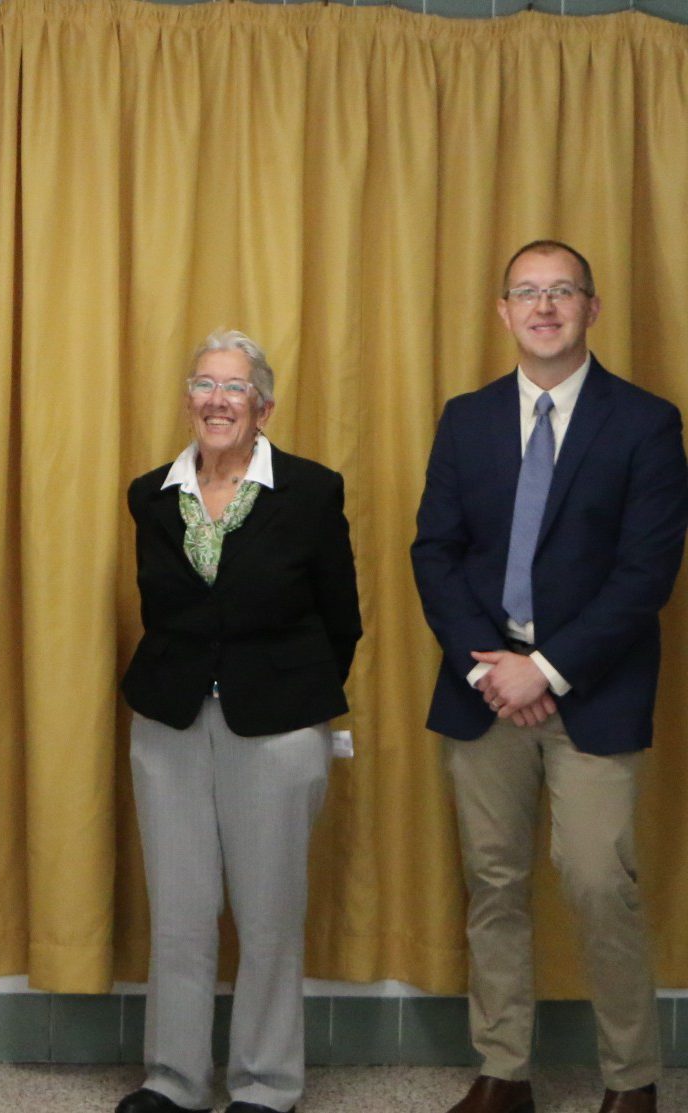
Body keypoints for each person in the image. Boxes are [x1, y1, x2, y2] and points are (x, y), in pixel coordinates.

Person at [411, 241, 686, 1113]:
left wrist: (549, 669)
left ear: (591, 309)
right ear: (503, 312)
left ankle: (631, 1081)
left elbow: (647, 573)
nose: (544, 306)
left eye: (562, 291)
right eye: (527, 293)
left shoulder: (646, 422)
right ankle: (503, 1072)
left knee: (600, 881)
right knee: (492, 883)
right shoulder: (466, 417)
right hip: (483, 687)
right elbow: (435, 551)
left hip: (592, 689)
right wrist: (488, 668)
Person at [114, 331, 361, 1113]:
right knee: (181, 915)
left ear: (264, 406)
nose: (218, 401)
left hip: (278, 726)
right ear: (188, 399)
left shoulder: (313, 490)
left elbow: (342, 620)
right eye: (204, 385)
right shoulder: (150, 494)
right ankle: (174, 1080)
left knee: (269, 916)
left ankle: (265, 1083)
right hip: (170, 722)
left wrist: (291, 695)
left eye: (235, 388)